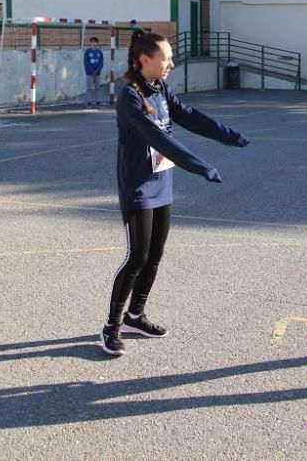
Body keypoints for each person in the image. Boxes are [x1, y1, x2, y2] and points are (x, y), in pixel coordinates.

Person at [101, 29, 249, 356]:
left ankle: (135, 316)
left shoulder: (161, 88)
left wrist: (228, 136)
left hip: (162, 182)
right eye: (165, 58)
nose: (170, 63)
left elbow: (190, 117)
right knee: (135, 257)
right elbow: (161, 140)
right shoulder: (130, 97)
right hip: (138, 187)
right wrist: (200, 165)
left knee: (154, 255)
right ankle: (111, 326)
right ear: (143, 61)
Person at [83, 36, 104, 108]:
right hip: (90, 73)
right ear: (90, 43)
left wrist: (97, 70)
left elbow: (101, 63)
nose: (94, 43)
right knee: (89, 88)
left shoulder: (99, 52)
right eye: (92, 41)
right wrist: (91, 70)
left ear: (97, 43)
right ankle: (88, 102)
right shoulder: (87, 52)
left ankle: (98, 101)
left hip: (97, 73)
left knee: (97, 88)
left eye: (95, 42)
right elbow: (86, 62)